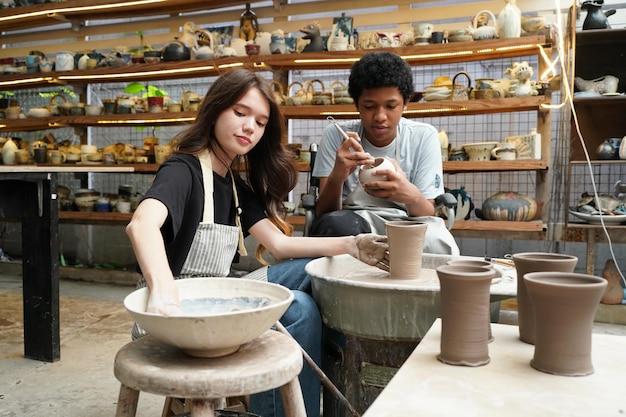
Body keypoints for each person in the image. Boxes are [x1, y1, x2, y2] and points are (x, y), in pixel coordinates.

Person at [125, 68, 388, 417]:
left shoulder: (234, 186)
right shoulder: (183, 170)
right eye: (240, 113)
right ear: (215, 110)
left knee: (312, 273)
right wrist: (163, 290)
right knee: (300, 308)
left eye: (261, 122)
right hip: (172, 310)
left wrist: (351, 246)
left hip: (214, 296)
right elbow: (141, 225)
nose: (250, 126)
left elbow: (280, 246)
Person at [311, 51, 459, 255]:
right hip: (354, 221)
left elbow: (427, 213)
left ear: (406, 102)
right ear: (356, 104)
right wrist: (337, 176)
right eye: (370, 106)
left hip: (406, 220)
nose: (380, 116)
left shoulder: (423, 136)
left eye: (391, 106)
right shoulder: (338, 136)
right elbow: (324, 214)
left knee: (438, 243)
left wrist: (409, 194)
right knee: (336, 227)